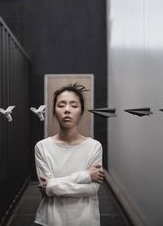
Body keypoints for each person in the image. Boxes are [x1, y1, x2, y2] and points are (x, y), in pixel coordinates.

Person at [34, 83, 104, 226]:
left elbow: (92, 189)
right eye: (61, 105)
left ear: (81, 111)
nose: (67, 110)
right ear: (54, 111)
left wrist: (53, 185)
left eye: (74, 105)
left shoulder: (94, 146)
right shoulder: (42, 146)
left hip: (85, 220)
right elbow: (45, 191)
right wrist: (86, 176)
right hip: (51, 220)